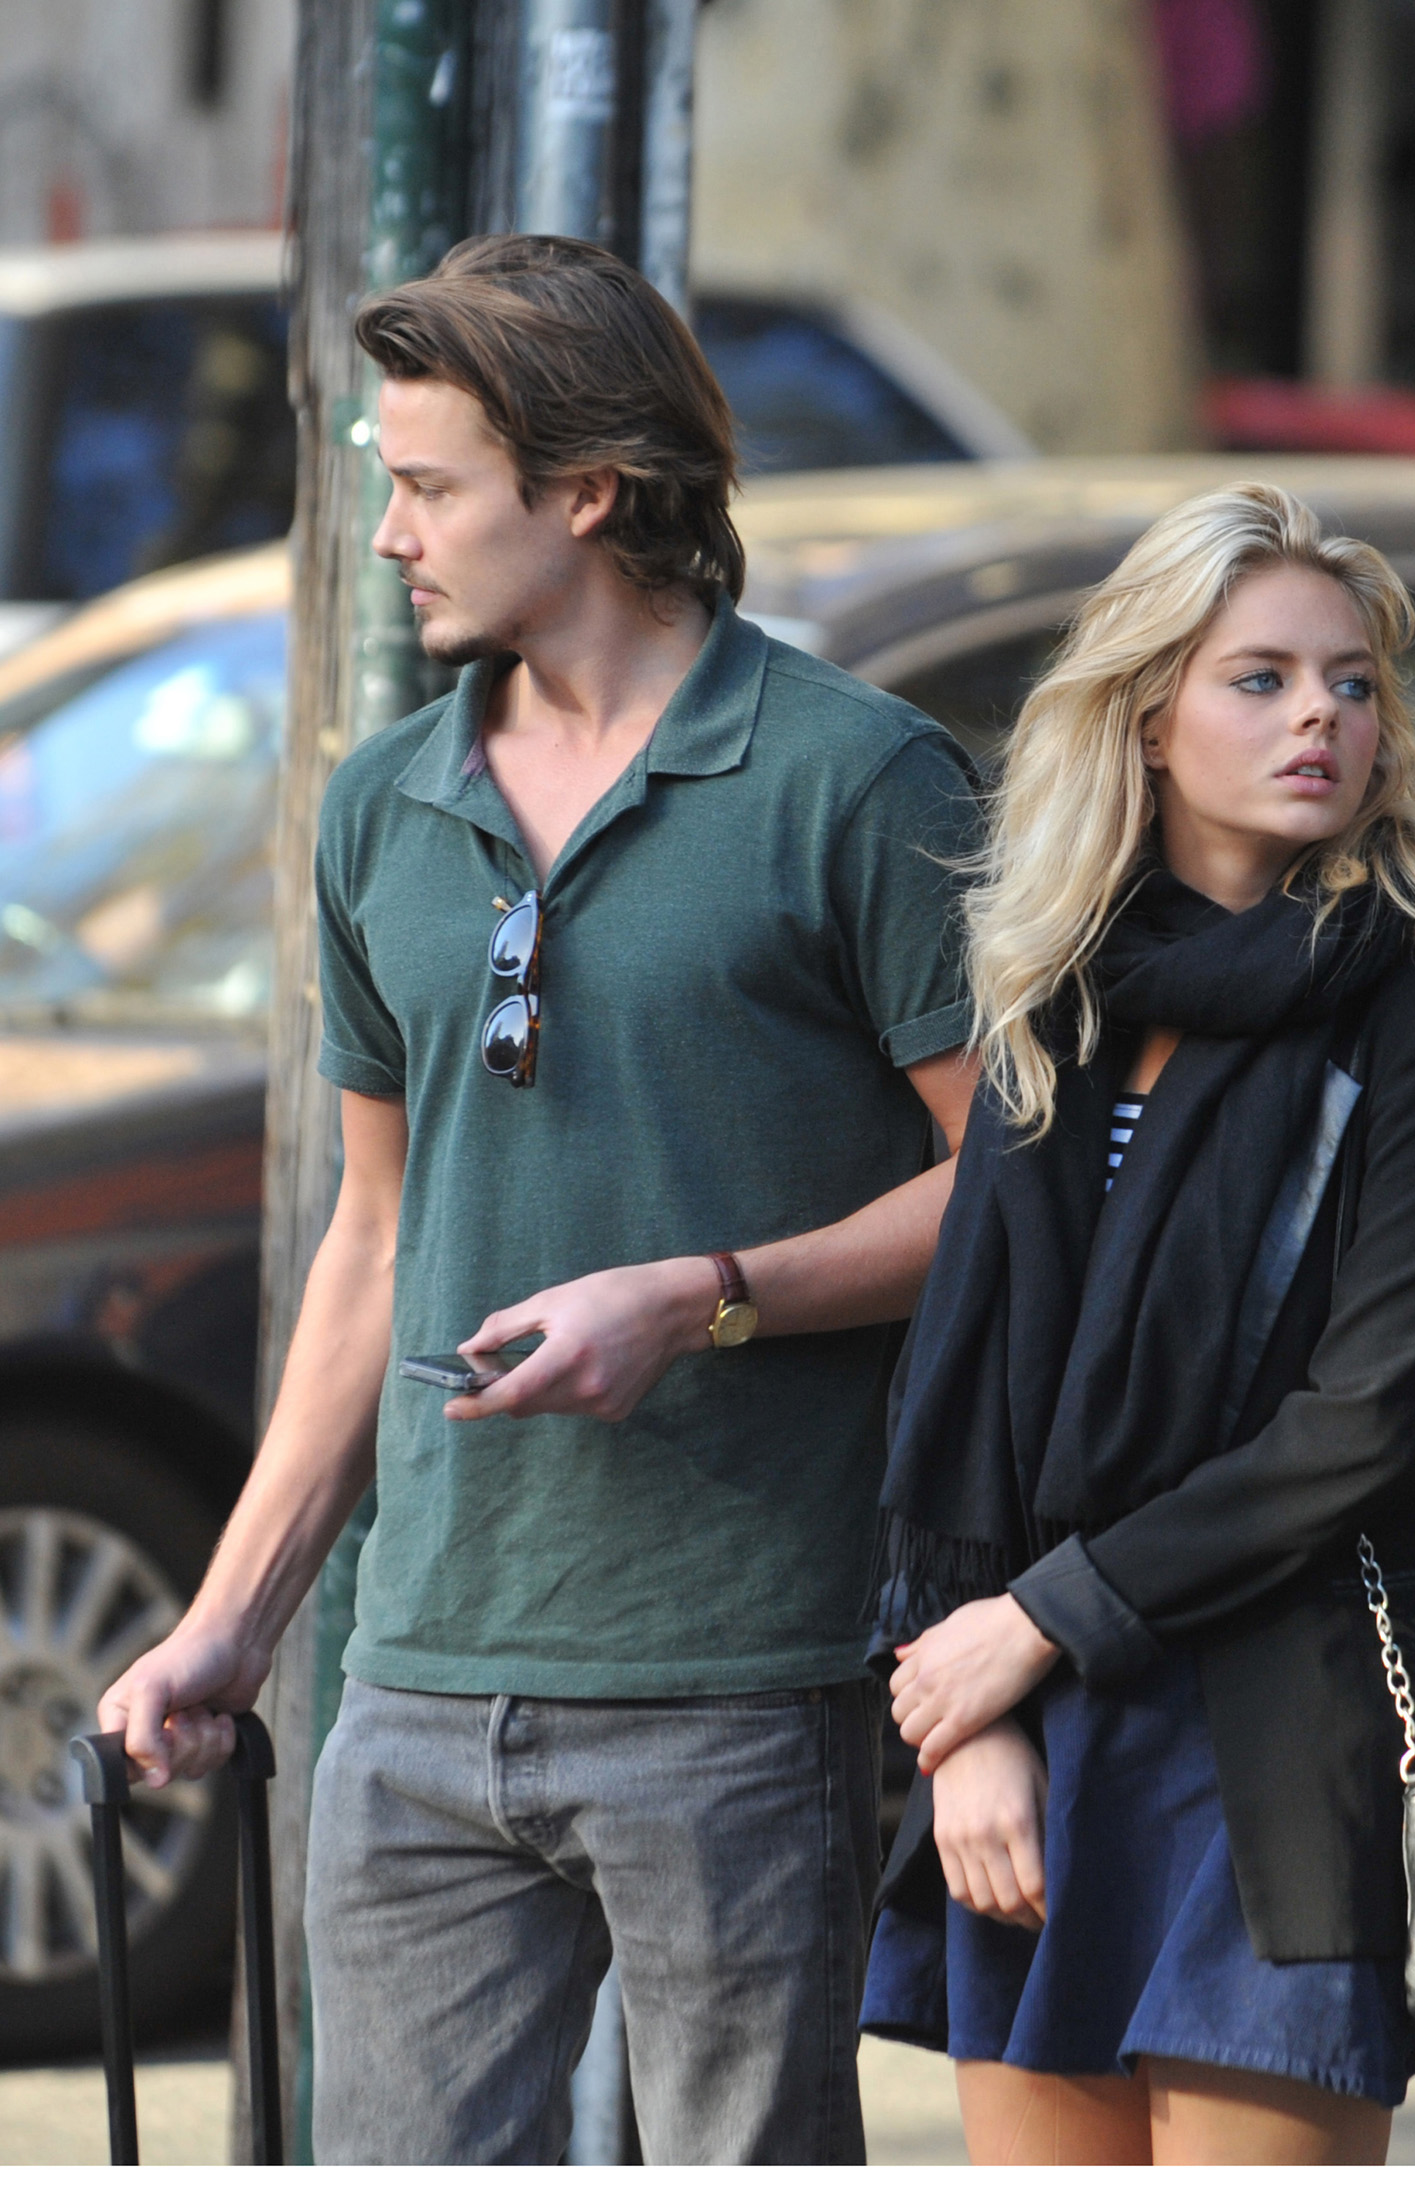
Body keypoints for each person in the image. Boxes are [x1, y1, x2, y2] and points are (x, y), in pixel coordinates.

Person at [99, 234, 980, 2166]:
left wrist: (703, 1295)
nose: (390, 534)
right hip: (415, 1678)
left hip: (741, 1672)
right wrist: (233, 1624)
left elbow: (1014, 1190)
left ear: (587, 490)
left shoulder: (858, 781)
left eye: (430, 488)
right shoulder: (381, 807)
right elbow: (374, 1241)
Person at [858, 482, 1415, 2165]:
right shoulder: (1056, 990)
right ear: (1148, 716)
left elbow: (1358, 1422)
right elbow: (966, 1384)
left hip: (1277, 1729)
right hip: (1034, 1720)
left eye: (1353, 682)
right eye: (1263, 678)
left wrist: (1039, 1621)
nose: (1322, 716)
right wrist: (969, 1720)